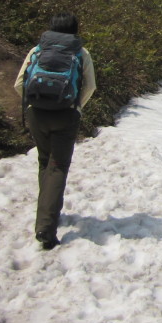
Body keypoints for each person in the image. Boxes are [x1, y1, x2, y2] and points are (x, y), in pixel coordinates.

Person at [13, 13, 97, 250]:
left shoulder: (37, 50)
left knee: (44, 161)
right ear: (75, 29)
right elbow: (90, 86)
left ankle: (46, 214)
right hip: (66, 115)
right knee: (58, 166)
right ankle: (46, 227)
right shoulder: (81, 53)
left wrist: (33, 103)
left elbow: (19, 84)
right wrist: (76, 107)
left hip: (37, 114)